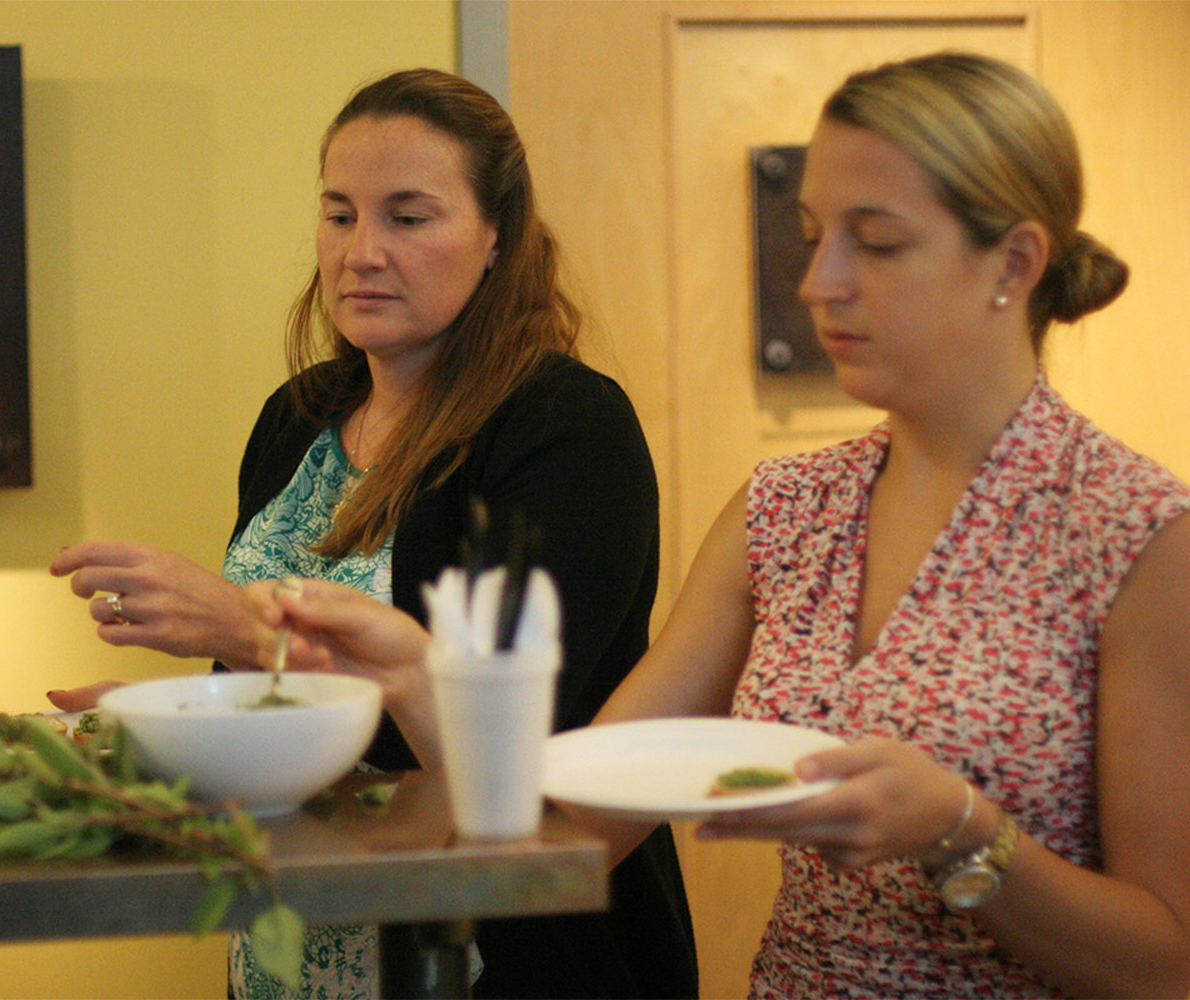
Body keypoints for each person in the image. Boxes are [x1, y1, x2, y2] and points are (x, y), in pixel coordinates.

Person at [262, 53, 1190, 998]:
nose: (819, 283)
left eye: (875, 243)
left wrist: (963, 832)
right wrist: (419, 674)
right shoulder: (786, 511)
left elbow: (1169, 961)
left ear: (1016, 262)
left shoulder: (1133, 535)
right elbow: (570, 832)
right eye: (814, 235)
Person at [49, 68, 697, 999]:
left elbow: (515, 747)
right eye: (340, 214)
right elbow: (274, 709)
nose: (362, 252)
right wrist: (167, 737)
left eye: (408, 216)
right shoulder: (300, 414)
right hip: (296, 946)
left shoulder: (565, 425)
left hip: (505, 954)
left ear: (495, 239)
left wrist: (240, 625)